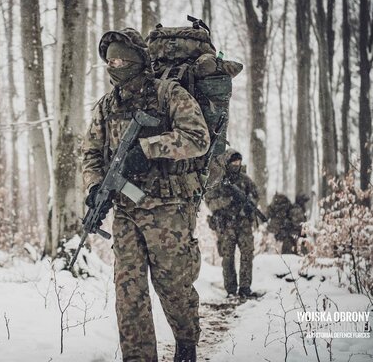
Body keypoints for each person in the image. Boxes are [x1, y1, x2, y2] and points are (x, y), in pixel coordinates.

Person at [82, 28, 210, 362]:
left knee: (174, 287)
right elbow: (91, 155)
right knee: (129, 295)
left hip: (169, 208)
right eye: (111, 59)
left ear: (140, 59)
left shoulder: (169, 94)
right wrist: (95, 186)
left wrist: (149, 149)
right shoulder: (106, 106)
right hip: (126, 211)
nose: (117, 64)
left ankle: (186, 345)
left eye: (124, 58)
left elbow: (198, 137)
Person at [205, 149, 259, 298]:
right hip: (226, 225)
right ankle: (230, 289)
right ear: (227, 162)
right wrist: (228, 201)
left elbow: (255, 196)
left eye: (238, 161)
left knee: (247, 255)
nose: (236, 164)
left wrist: (249, 205)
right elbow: (210, 203)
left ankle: (245, 287)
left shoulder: (245, 180)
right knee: (228, 257)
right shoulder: (218, 181)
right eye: (233, 161)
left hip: (243, 224)